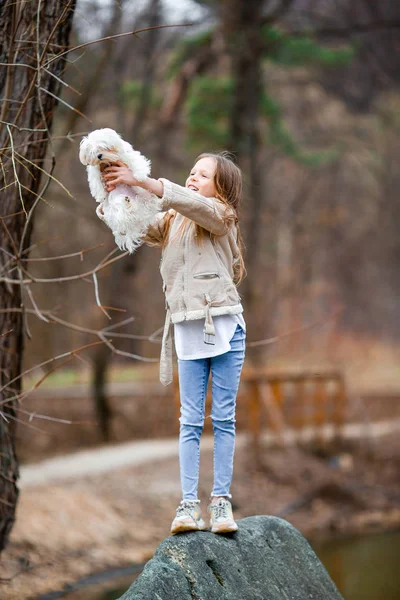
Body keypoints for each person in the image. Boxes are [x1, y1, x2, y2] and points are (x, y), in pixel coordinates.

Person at [103, 152, 246, 534]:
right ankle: (187, 507)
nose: (194, 177)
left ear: (221, 189)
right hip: (186, 331)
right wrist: (116, 189)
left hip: (226, 329)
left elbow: (195, 204)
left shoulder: (220, 216)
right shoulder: (171, 220)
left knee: (224, 419)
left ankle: (220, 504)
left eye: (204, 174)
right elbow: (131, 223)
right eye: (192, 171)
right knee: (190, 421)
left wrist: (149, 183)